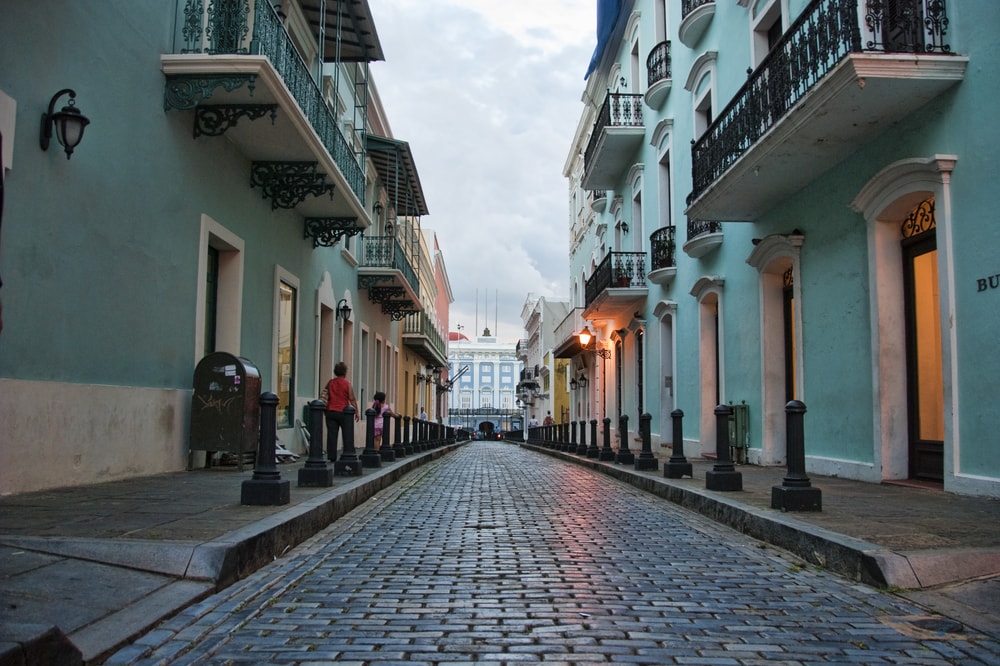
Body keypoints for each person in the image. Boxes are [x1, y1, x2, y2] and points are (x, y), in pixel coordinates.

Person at [324, 362, 359, 462]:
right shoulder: (347, 384)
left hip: (331, 411)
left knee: (332, 435)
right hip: (343, 412)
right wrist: (356, 411)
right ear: (345, 372)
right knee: (347, 433)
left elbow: (325, 395)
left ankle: (331, 456)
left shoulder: (330, 382)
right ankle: (347, 452)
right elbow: (351, 398)